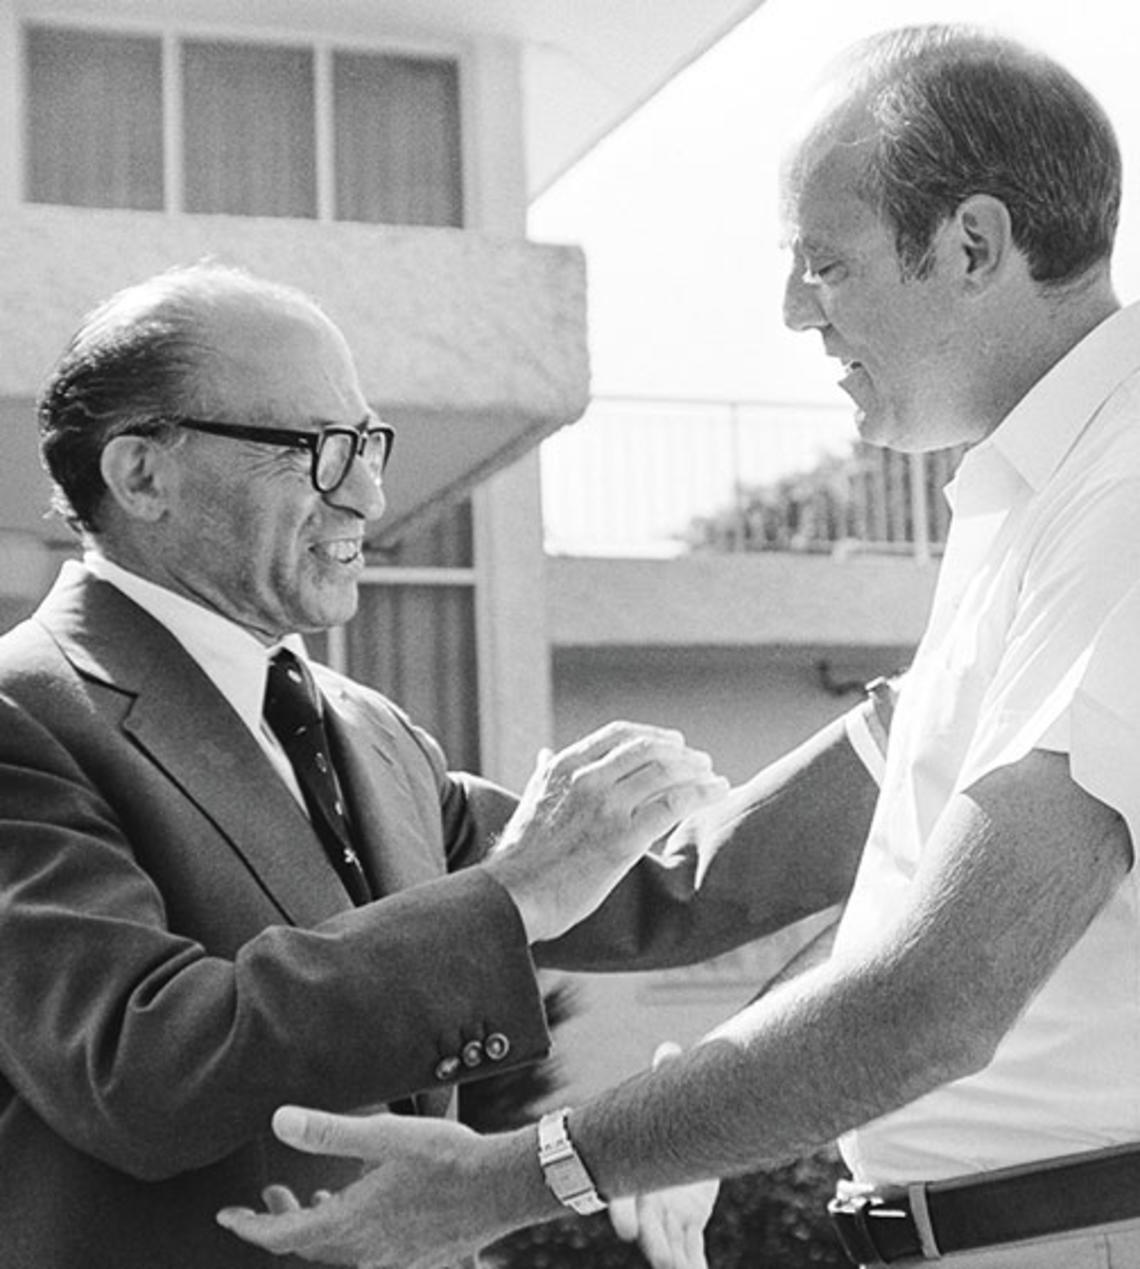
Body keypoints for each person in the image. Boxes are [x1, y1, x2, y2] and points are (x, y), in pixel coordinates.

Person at [218, 23, 1140, 1269]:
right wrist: (704, 1100)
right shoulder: (1031, 494)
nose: (790, 308)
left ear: (973, 245)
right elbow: (832, 885)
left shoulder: (1120, 502)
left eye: (825, 261)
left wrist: (521, 1176)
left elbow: (937, 997)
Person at [0, 260, 890, 1269]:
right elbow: (138, 1066)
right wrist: (508, 901)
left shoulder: (371, 732)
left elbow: (662, 889)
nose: (368, 493)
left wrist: (925, 723)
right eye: (318, 451)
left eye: (367, 444)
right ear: (141, 474)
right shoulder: (27, 714)